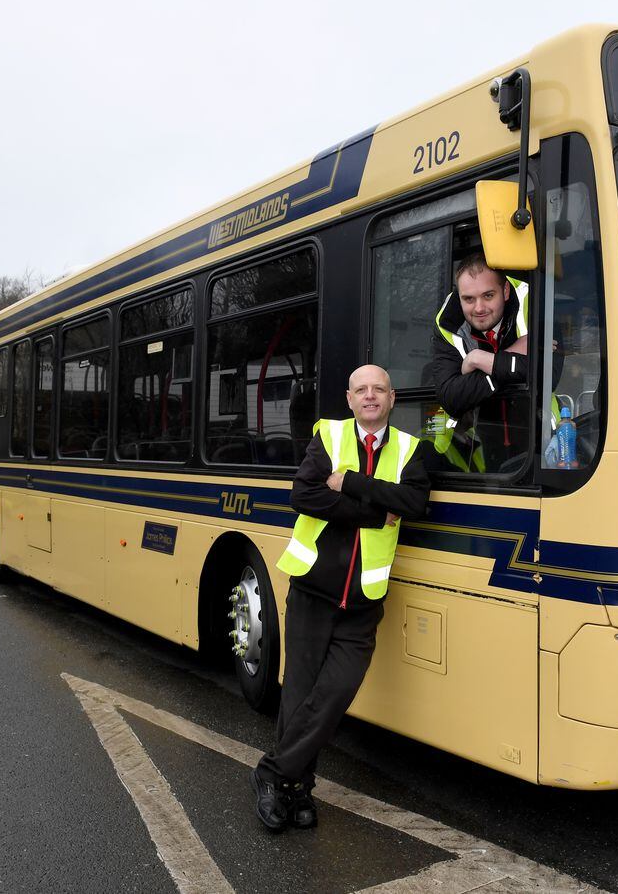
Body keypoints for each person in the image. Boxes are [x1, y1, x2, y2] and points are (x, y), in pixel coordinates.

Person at [251, 364, 430, 832]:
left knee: (334, 695)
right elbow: (303, 496)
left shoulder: (412, 449)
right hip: (313, 589)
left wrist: (348, 482)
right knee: (301, 693)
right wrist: (373, 513)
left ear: (392, 398)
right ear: (349, 399)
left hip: (363, 602)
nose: (370, 396)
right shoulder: (327, 436)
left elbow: (414, 503)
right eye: (361, 390)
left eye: (379, 389)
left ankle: (272, 773)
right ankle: (295, 790)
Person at [428, 253, 533, 471]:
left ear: (504, 292)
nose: (478, 308)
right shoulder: (447, 323)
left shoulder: (528, 299)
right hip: (484, 448)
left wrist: (477, 362)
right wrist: (509, 360)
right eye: (469, 299)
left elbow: (549, 370)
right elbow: (450, 397)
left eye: (488, 296)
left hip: (542, 442)